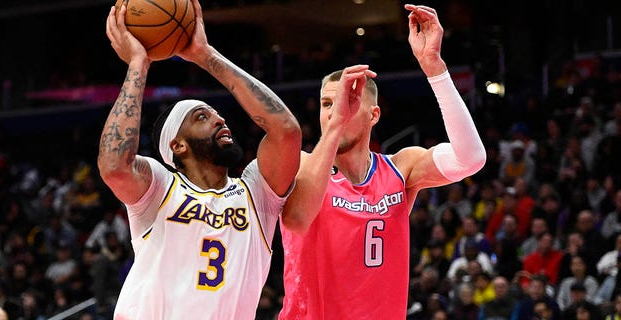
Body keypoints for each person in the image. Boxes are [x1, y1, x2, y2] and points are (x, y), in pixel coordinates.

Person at [278, 4, 486, 319]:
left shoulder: (400, 168)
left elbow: (470, 159)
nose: (337, 111)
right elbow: (298, 216)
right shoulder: (300, 166)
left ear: (374, 114)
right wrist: (335, 127)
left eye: (349, 100)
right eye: (326, 103)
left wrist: (434, 68)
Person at [99, 0, 301, 319]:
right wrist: (138, 64)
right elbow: (114, 167)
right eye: (202, 117)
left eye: (219, 115)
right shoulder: (160, 187)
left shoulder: (256, 194)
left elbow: (286, 132)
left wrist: (205, 56)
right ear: (177, 145)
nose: (221, 121)